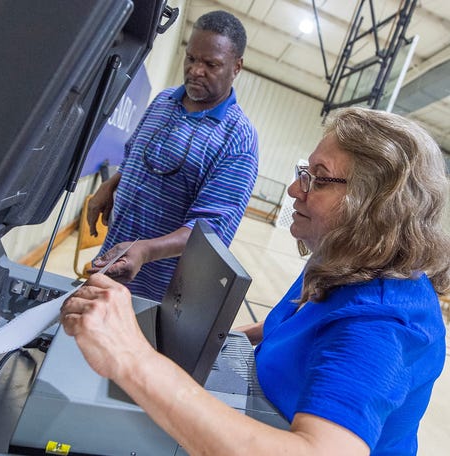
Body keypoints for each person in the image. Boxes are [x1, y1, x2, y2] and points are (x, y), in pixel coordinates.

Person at [61, 107, 450, 455]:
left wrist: (130, 357)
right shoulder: (345, 258)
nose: (296, 189)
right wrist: (207, 342)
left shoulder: (382, 324)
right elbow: (293, 326)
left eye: (319, 178)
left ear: (373, 205)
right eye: (304, 173)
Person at [86, 10, 258, 301]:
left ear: (236, 67)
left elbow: (208, 231)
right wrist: (111, 183)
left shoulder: (238, 140)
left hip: (157, 291)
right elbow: (133, 156)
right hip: (114, 261)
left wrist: (145, 249)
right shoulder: (164, 101)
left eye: (210, 64)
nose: (195, 70)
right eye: (191, 58)